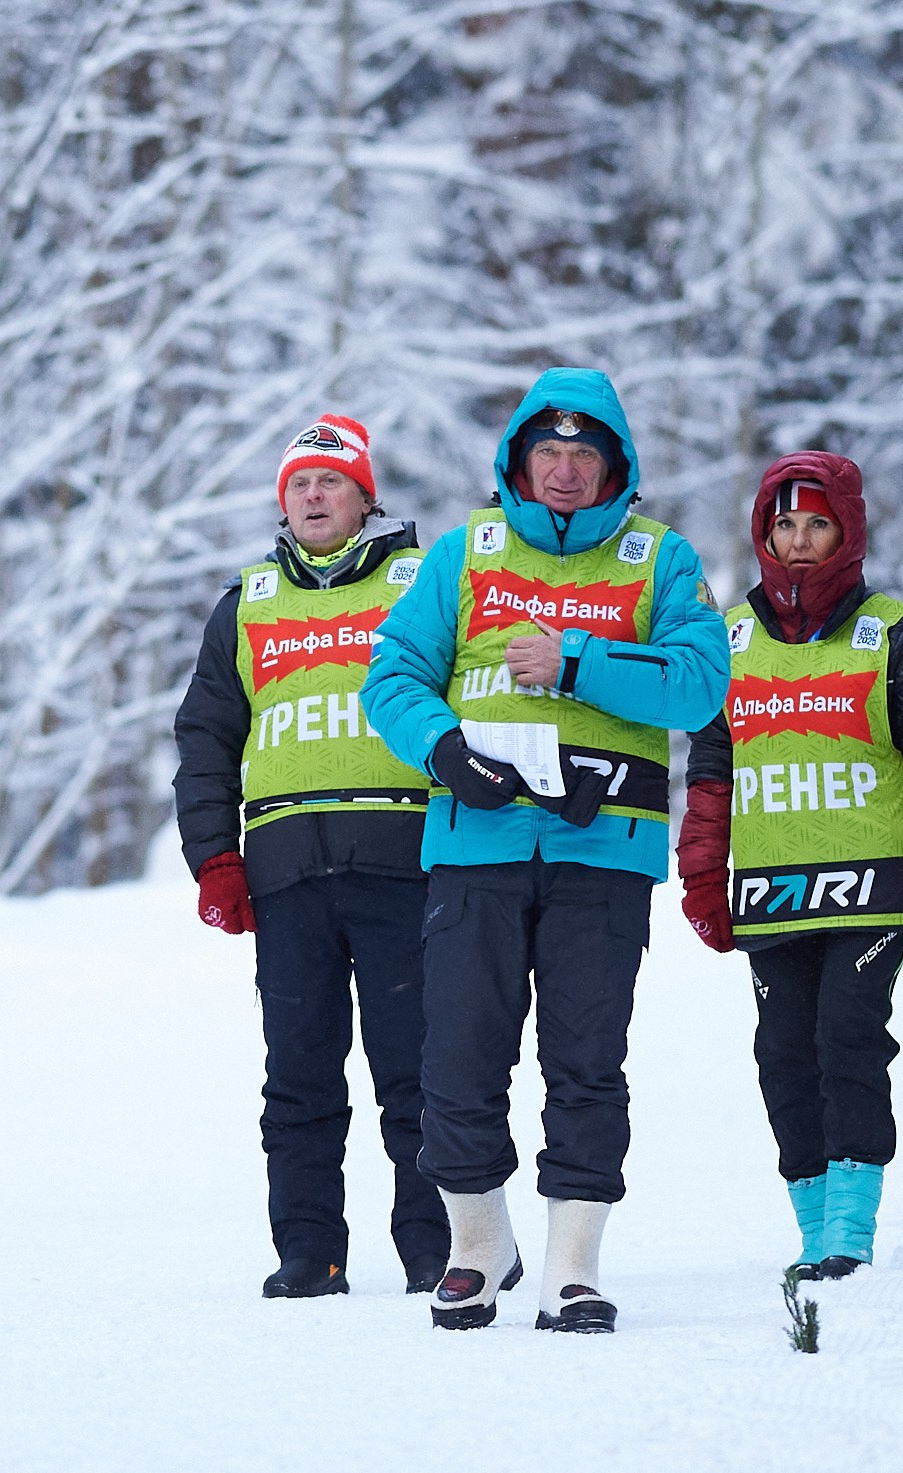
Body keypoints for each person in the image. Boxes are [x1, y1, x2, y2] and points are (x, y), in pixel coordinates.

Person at [362, 369, 729, 1332]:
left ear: (616, 465)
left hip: (604, 849)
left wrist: (576, 659)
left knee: (586, 1061)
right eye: (548, 453)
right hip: (473, 841)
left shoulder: (662, 558)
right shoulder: (465, 553)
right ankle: (478, 1249)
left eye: (585, 454)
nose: (565, 471)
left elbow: (696, 686)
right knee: (458, 1057)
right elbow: (392, 673)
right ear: (517, 461)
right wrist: (442, 748)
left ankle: (575, 1267)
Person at [675, 451, 903, 1282]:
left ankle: (849, 1234)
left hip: (871, 886)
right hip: (771, 891)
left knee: (847, 1040)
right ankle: (811, 1227)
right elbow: (712, 778)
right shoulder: (729, 640)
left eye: (816, 525)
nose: (798, 542)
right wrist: (700, 878)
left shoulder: (898, 632)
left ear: (848, 532)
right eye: (783, 525)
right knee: (783, 1056)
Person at [174, 416, 449, 1299]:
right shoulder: (247, 601)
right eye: (300, 483)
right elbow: (206, 739)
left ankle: (436, 1250)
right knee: (297, 1075)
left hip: (405, 859)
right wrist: (215, 857)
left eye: (333, 481)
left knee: (417, 1070)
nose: (315, 496)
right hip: (286, 872)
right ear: (282, 501)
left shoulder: (424, 580)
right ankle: (309, 1254)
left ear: (367, 496)